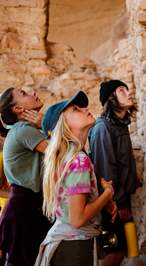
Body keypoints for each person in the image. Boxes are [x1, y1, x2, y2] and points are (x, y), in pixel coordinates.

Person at [35, 91, 116, 266]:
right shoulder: (78, 160)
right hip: (74, 248)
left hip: (64, 244)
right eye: (75, 109)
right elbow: (78, 219)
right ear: (63, 125)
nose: (85, 109)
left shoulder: (68, 156)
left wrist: (98, 193)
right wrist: (107, 194)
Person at [0, 87, 51, 266]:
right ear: (18, 109)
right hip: (24, 212)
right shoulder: (23, 130)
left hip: (29, 208)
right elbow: (61, 153)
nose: (32, 92)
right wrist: (47, 123)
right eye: (24, 93)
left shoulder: (28, 130)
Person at [89, 80, 138, 265]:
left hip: (123, 198)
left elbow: (123, 161)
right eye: (121, 90)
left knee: (126, 249)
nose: (128, 92)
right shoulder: (103, 128)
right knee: (114, 252)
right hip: (113, 204)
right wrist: (119, 202)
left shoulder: (120, 124)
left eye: (127, 88)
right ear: (111, 98)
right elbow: (105, 171)